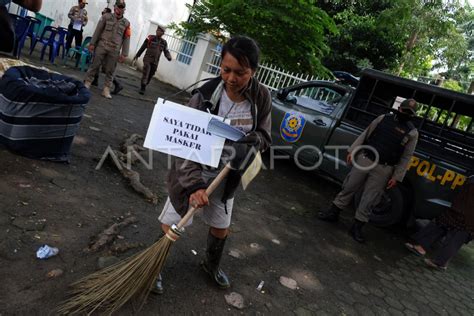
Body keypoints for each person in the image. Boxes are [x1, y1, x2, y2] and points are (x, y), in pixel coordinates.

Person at [154, 36, 271, 294]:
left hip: (227, 174)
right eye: (226, 70)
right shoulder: (204, 95)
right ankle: (154, 267)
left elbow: (264, 134)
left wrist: (254, 142)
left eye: (241, 73)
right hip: (191, 170)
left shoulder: (262, 97)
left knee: (221, 226)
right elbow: (184, 146)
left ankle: (210, 264)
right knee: (174, 221)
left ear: (253, 71)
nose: (231, 78)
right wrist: (195, 185)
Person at [318, 99, 419, 243]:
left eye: (410, 113)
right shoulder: (383, 119)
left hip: (384, 168)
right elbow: (365, 134)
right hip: (366, 158)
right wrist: (353, 150)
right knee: (349, 186)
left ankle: (357, 227)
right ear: (399, 109)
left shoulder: (412, 133)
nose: (406, 114)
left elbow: (406, 157)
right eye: (405, 111)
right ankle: (333, 212)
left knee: (370, 198)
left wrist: (397, 176)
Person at [405, 174, 473, 270]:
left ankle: (440, 262)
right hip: (462, 206)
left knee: (457, 234)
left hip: (468, 214)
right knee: (442, 222)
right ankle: (421, 247)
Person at [83, 0, 130, 99]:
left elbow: (126, 38)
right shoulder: (106, 17)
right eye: (118, 7)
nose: (119, 10)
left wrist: (124, 54)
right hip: (102, 46)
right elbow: (98, 30)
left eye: (122, 8)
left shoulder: (126, 23)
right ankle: (87, 83)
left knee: (110, 70)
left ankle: (106, 89)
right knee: (94, 65)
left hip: (114, 50)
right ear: (114, 7)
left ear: (124, 10)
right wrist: (92, 43)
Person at [90, 7, 123, 95]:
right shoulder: (104, 20)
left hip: (105, 47)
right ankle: (95, 80)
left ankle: (117, 83)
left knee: (105, 67)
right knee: (97, 64)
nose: (102, 14)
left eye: (104, 12)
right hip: (101, 46)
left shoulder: (108, 21)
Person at [133, 25, 172, 95]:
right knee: (146, 71)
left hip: (155, 61)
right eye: (158, 30)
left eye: (161, 31)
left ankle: (145, 84)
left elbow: (166, 51)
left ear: (163, 33)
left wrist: (168, 57)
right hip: (147, 58)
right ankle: (143, 87)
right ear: (156, 31)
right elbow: (143, 46)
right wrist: (137, 55)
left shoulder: (164, 42)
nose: (159, 32)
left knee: (151, 74)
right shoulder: (150, 38)